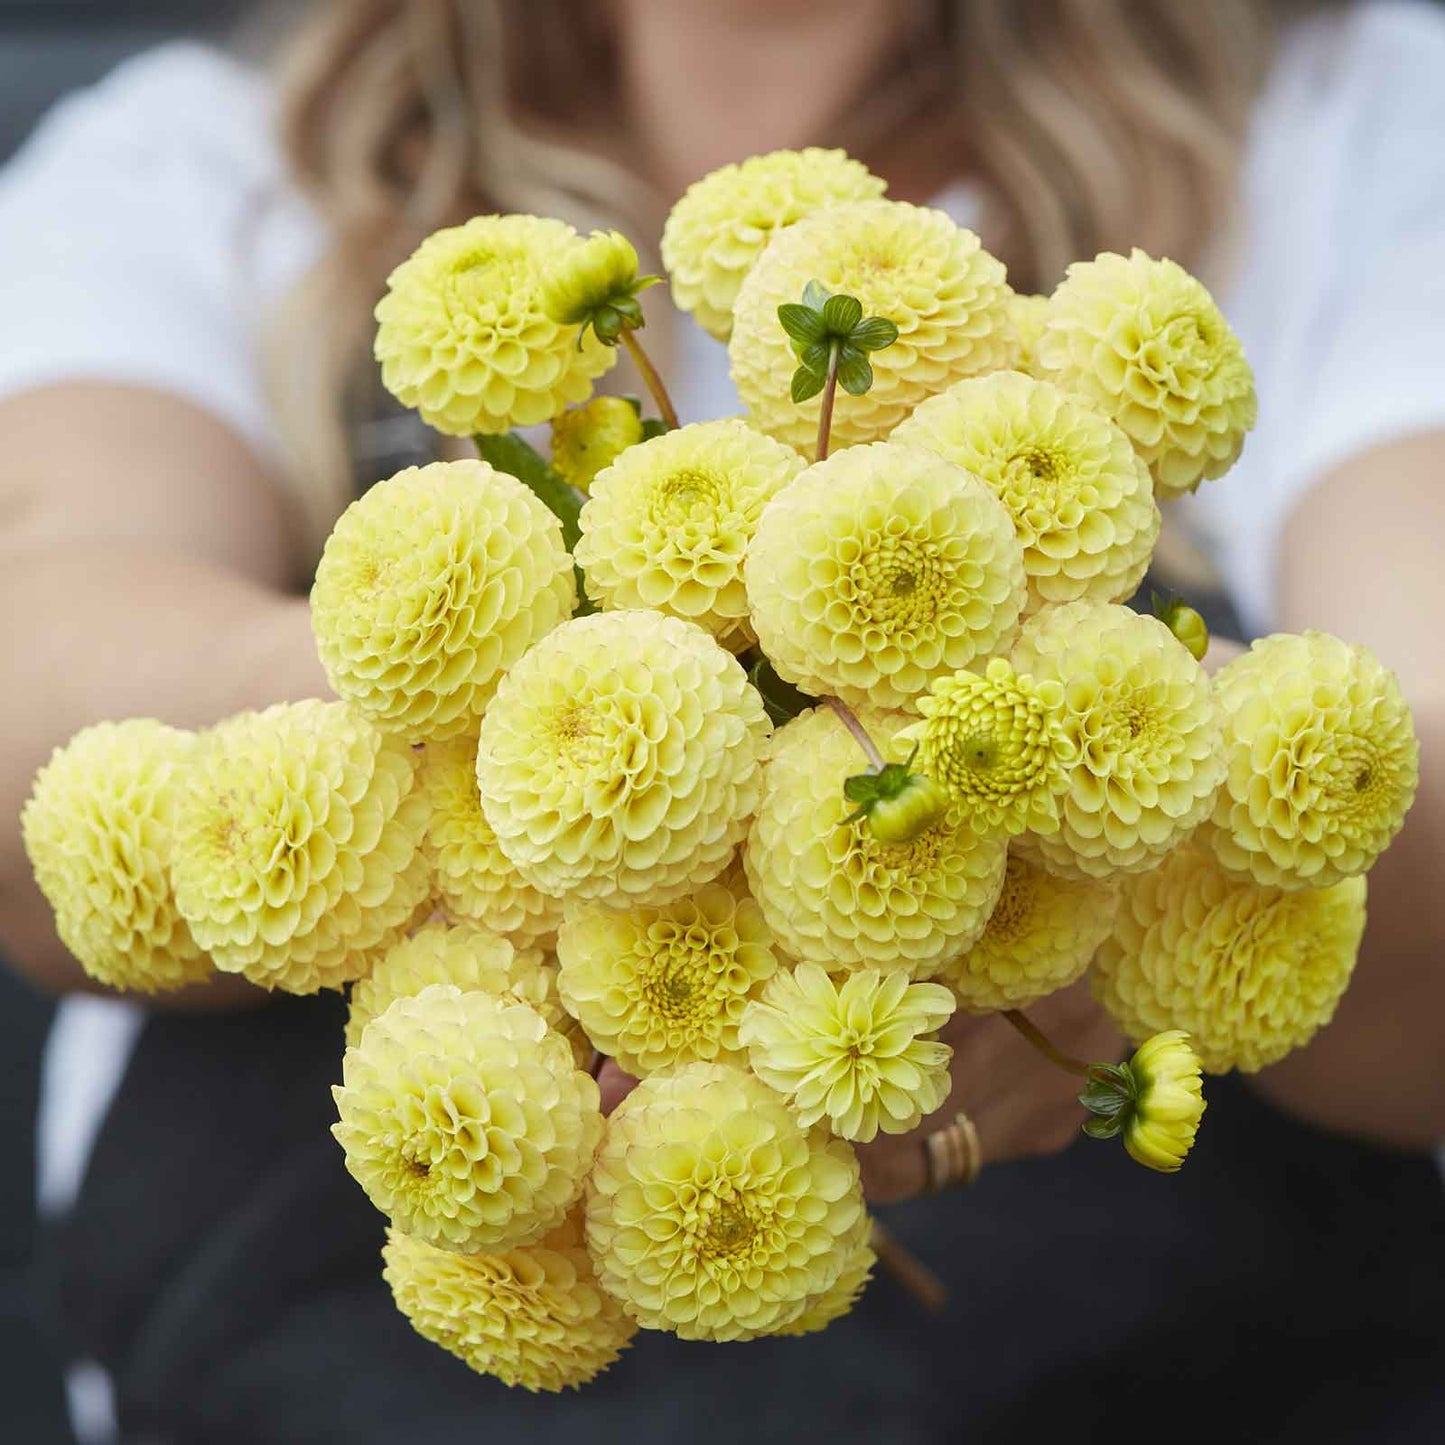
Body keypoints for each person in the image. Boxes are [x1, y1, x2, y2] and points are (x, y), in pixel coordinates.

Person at [1, 1, 1443, 1440]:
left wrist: (1086, 893)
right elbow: (39, 664)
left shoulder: (1347, 136)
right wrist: (518, 723)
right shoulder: (217, 165)